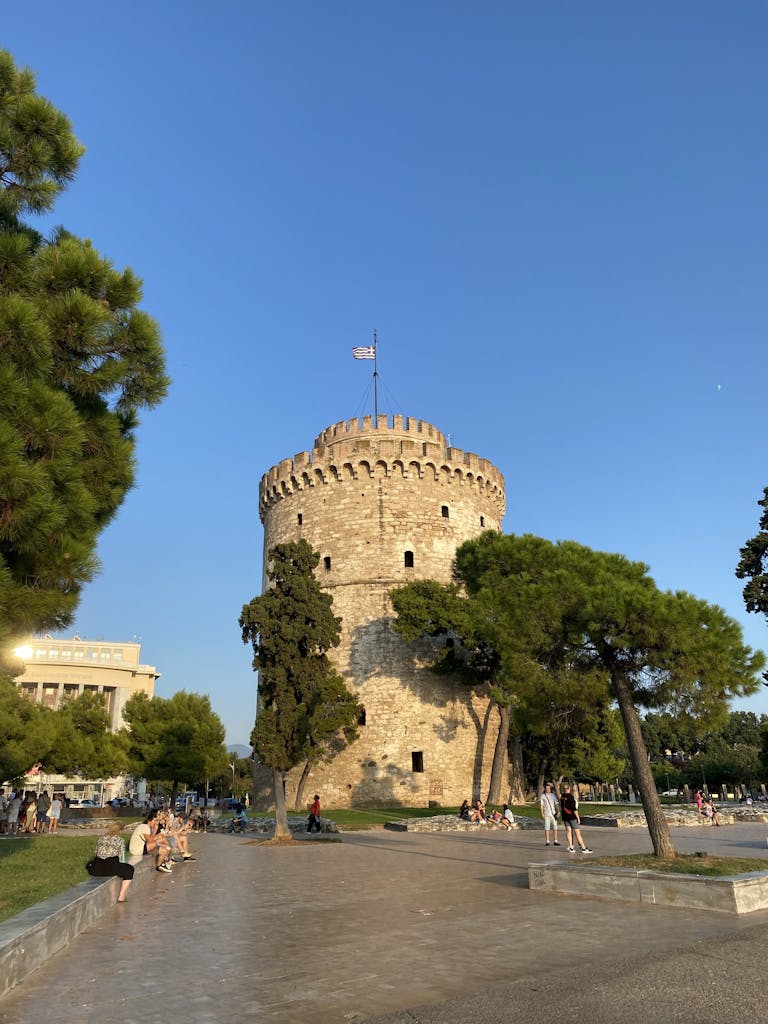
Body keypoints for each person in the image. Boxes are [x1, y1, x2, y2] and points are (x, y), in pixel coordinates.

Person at [87, 824, 134, 902]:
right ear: (119, 831)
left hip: (97, 868)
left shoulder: (101, 838)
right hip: (111, 867)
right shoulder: (120, 840)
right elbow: (121, 857)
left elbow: (96, 853)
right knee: (130, 869)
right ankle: (121, 896)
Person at [560, 784, 592, 853]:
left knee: (568, 831)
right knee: (577, 832)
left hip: (565, 817)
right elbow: (574, 810)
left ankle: (571, 847)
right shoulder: (571, 798)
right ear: (569, 789)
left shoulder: (562, 796)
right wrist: (578, 817)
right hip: (571, 817)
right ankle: (583, 848)